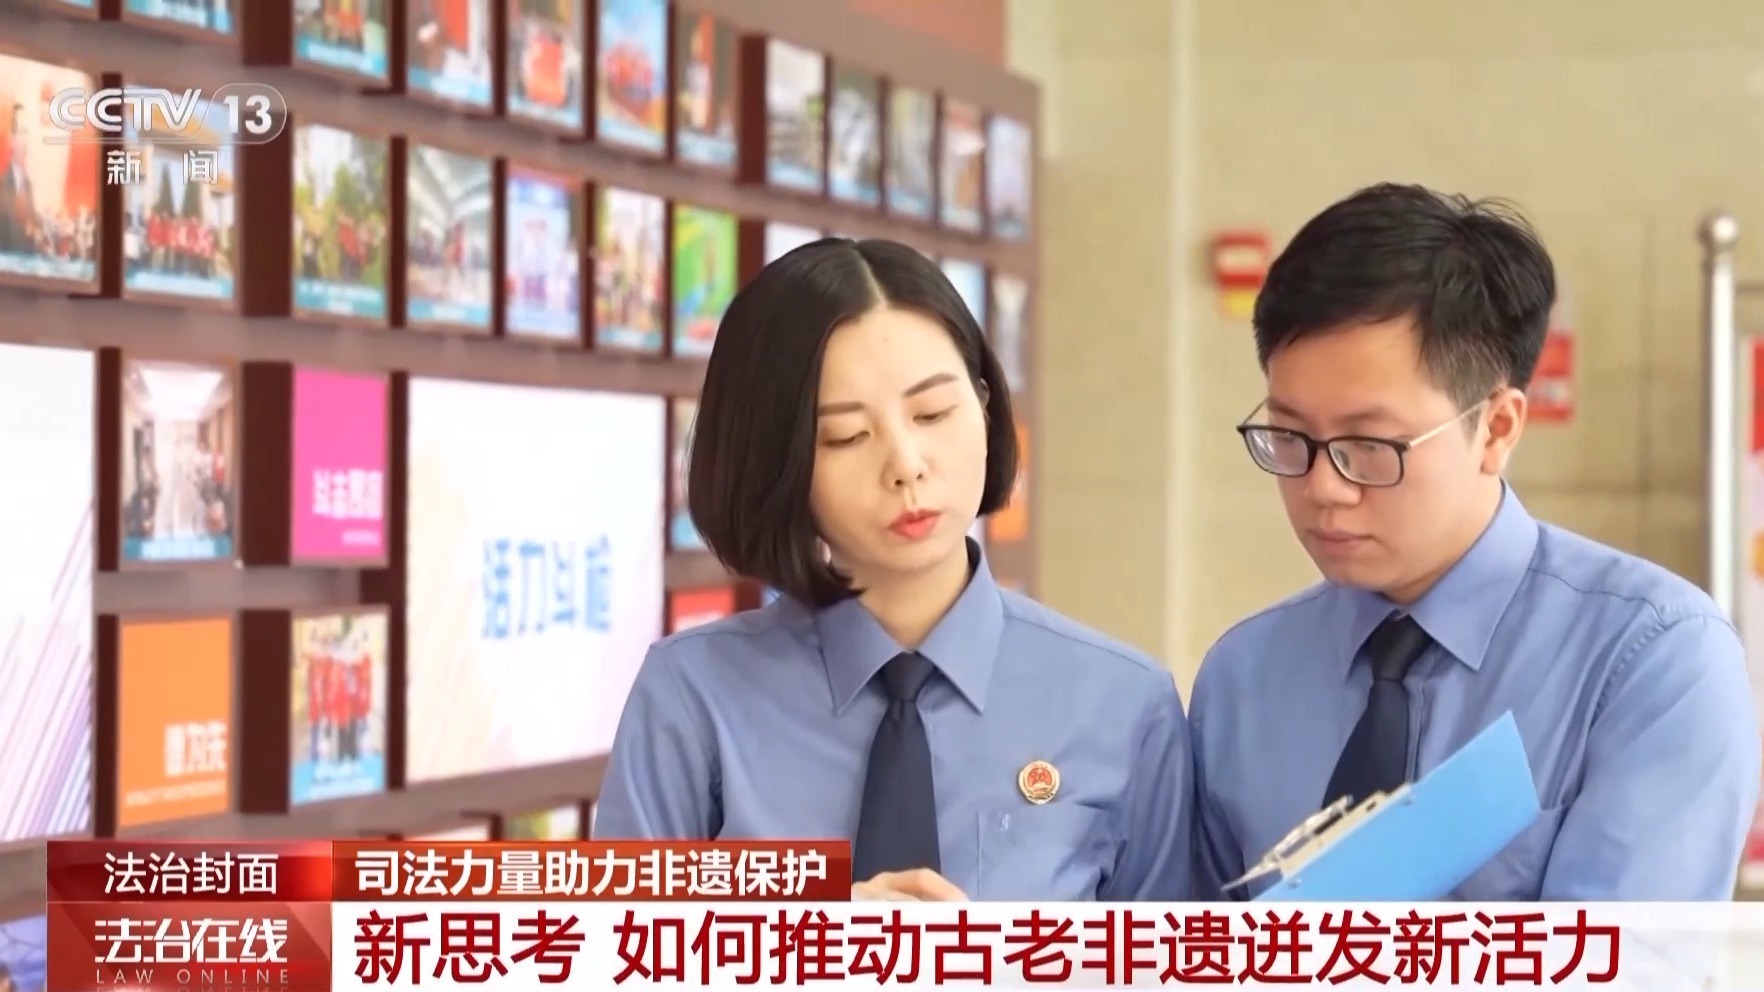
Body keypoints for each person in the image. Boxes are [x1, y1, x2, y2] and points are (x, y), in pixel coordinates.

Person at [1191, 183, 1760, 901]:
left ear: (1496, 428)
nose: (1324, 487)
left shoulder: (1650, 659)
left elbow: (1618, 956)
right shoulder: (1244, 676)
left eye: (1369, 446)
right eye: (1289, 436)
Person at [595, 238, 1193, 901]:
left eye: (933, 413)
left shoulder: (1124, 705)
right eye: (846, 436)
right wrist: (801, 941)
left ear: (985, 407)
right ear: (776, 462)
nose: (907, 464)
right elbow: (611, 947)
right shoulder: (693, 696)